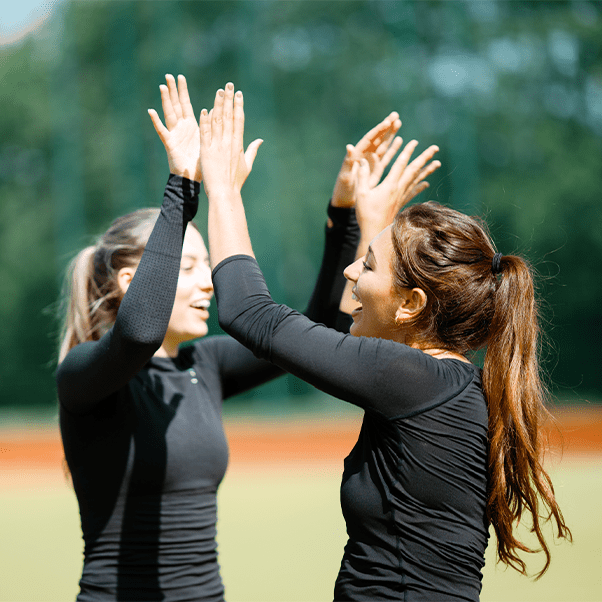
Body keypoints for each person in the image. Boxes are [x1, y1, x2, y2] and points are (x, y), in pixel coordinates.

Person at [55, 75, 434, 601]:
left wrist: (345, 215)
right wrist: (182, 186)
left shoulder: (202, 366)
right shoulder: (84, 374)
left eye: (206, 265)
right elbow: (138, 334)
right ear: (128, 282)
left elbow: (321, 325)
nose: (208, 281)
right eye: (188, 267)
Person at [199, 84, 572, 601]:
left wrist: (220, 188)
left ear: (412, 305)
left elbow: (248, 312)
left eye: (368, 265)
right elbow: (349, 319)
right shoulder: (442, 380)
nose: (353, 271)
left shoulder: (409, 378)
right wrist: (360, 217)